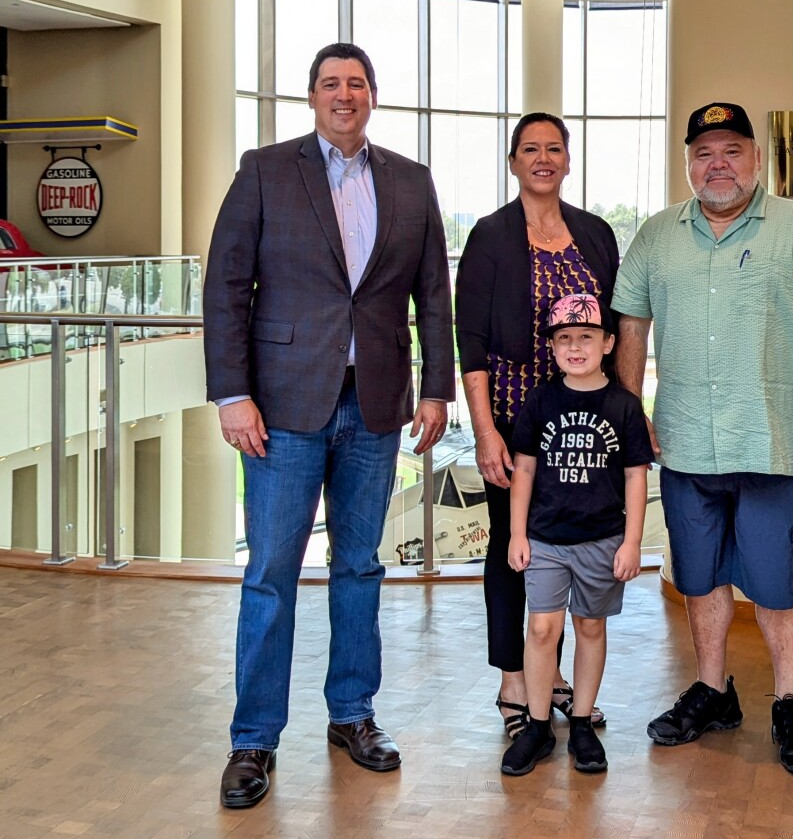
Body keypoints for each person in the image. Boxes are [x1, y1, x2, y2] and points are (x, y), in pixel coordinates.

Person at [204, 42, 454, 809]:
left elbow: (433, 295)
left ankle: (353, 713)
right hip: (281, 407)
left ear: (373, 96)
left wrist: (437, 388)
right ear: (312, 97)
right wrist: (230, 394)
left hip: (376, 405)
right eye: (330, 84)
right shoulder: (265, 169)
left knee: (360, 568)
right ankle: (255, 737)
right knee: (272, 572)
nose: (344, 95)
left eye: (357, 83)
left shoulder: (411, 182)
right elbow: (225, 285)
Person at [612, 102, 793, 776]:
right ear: (688, 162)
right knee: (699, 577)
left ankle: (788, 700)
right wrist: (627, 408)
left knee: (781, 585)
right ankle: (713, 689)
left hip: (775, 443)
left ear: (756, 159)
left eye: (730, 149)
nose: (716, 163)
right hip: (686, 444)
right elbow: (632, 323)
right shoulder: (657, 235)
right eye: (703, 152)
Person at [454, 113, 619, 738]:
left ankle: (551, 674)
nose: (543, 158)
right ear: (513, 161)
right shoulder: (491, 237)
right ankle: (514, 679)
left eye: (554, 148)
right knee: (513, 545)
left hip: (583, 423)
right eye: (530, 149)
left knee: (571, 545)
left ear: (568, 160)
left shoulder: (596, 234)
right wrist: (486, 431)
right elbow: (469, 341)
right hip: (515, 420)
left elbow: (619, 323)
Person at [498, 294, 654, 776]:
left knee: (590, 626)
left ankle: (582, 721)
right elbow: (523, 469)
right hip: (545, 539)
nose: (574, 347)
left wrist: (632, 542)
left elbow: (635, 476)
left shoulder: (624, 407)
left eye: (585, 336)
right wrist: (516, 534)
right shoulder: (541, 400)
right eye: (564, 339)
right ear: (554, 348)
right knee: (543, 629)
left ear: (608, 343)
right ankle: (539, 723)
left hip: (603, 541)